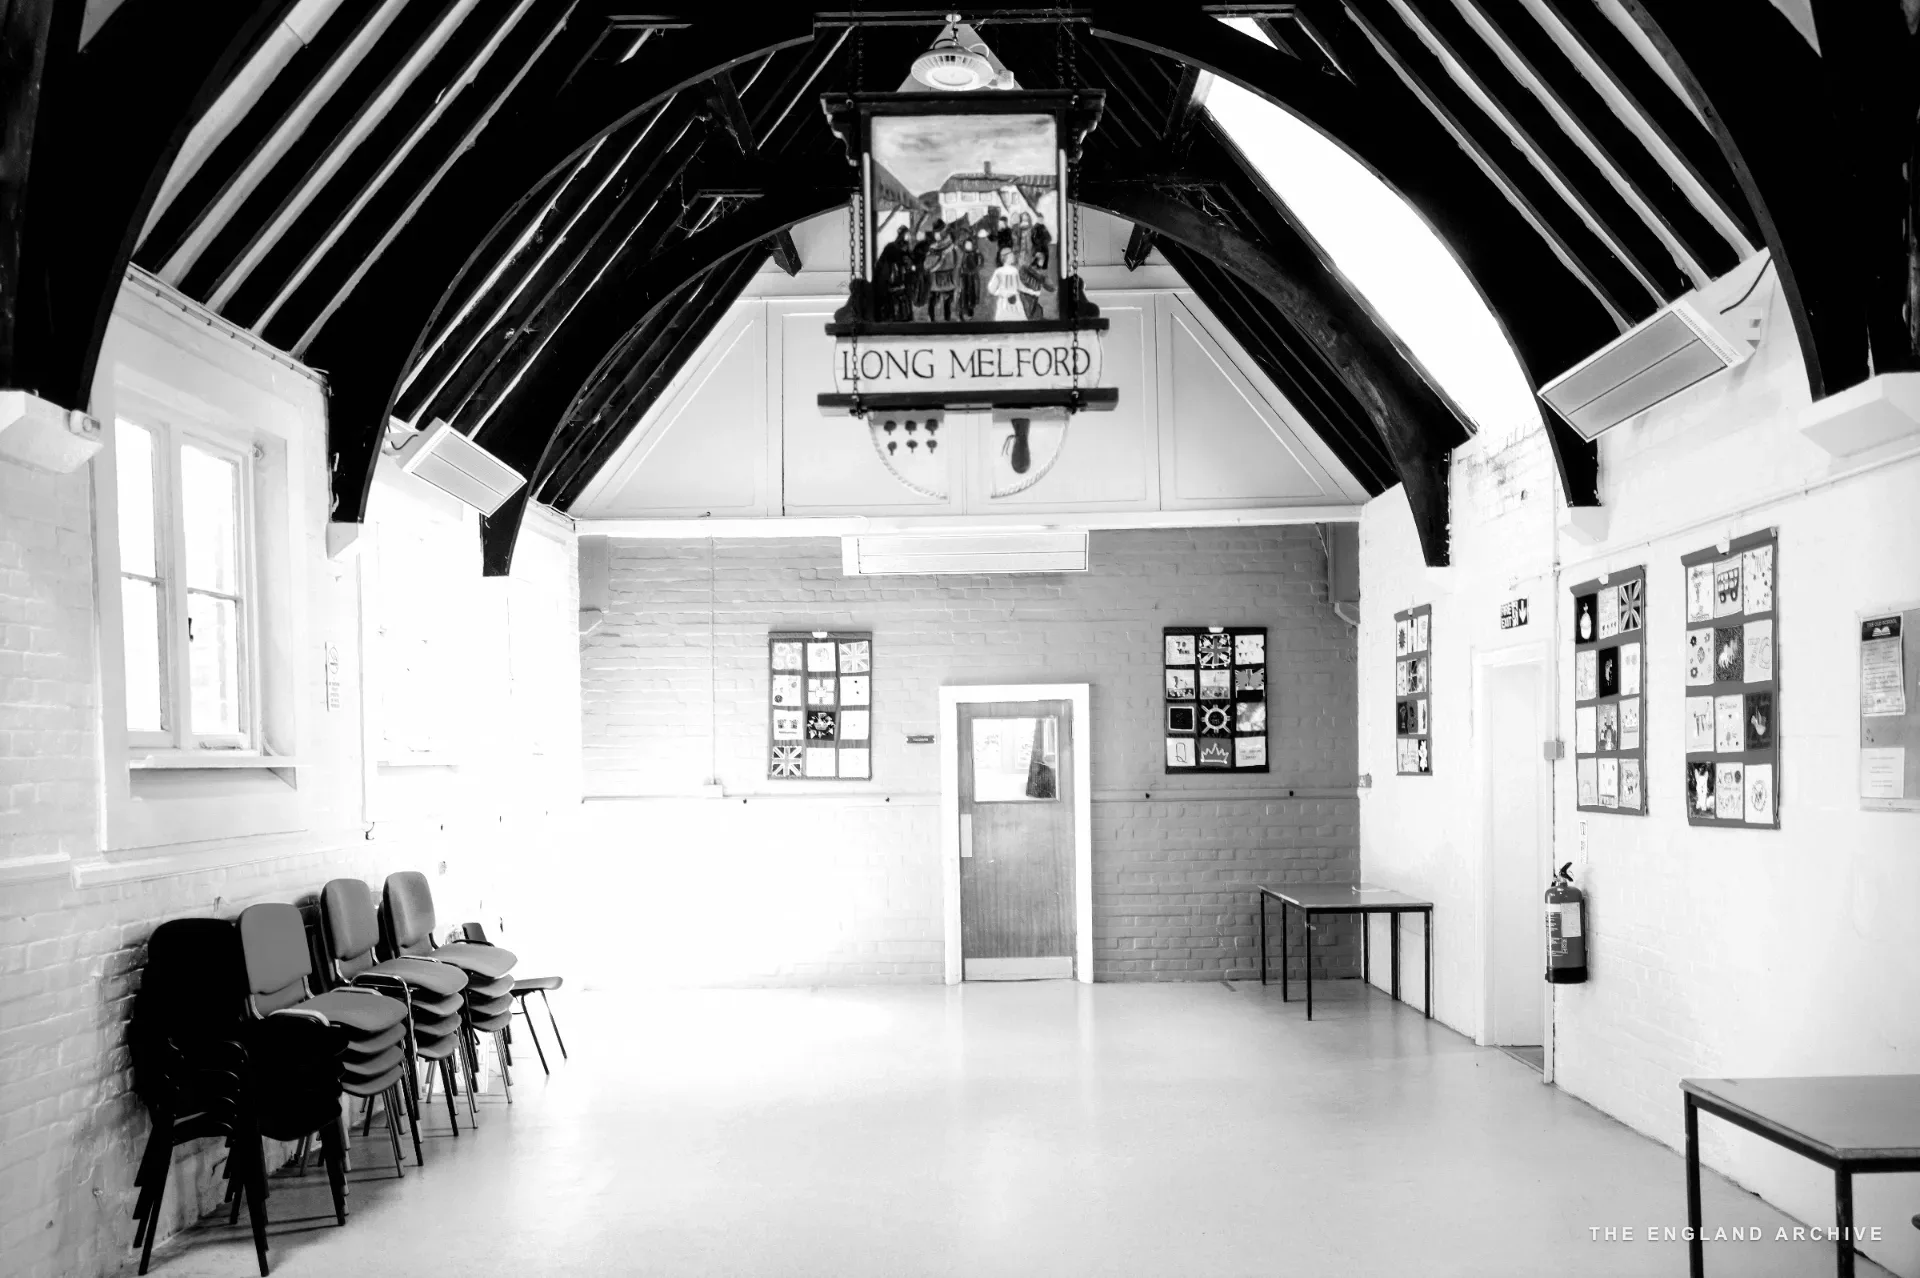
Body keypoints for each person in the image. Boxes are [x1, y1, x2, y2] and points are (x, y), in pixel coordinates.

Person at [877, 227, 912, 322]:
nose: (906, 237)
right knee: (893, 295)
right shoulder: (891, 246)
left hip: (902, 274)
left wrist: (908, 264)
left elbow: (908, 259)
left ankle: (903, 316)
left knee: (902, 295)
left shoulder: (905, 245)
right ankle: (893, 315)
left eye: (906, 234)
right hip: (893, 273)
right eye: (905, 234)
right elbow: (883, 261)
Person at [925, 227, 960, 322]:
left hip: (947, 276)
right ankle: (932, 319)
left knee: (947, 300)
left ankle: (946, 319)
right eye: (935, 233)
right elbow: (928, 263)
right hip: (936, 276)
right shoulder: (933, 247)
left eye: (938, 233)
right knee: (933, 299)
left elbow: (956, 263)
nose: (936, 235)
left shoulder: (951, 247)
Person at [987, 247, 1024, 321]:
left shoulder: (1013, 271)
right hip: (1008, 303)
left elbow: (991, 289)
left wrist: (999, 293)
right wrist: (1000, 293)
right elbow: (991, 288)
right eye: (1012, 255)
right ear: (1007, 257)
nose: (1013, 256)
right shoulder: (1001, 271)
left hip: (1012, 303)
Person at [959, 232, 985, 319]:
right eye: (967, 245)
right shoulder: (963, 254)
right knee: (964, 293)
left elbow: (981, 262)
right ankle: (964, 310)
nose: (968, 246)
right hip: (964, 277)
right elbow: (961, 265)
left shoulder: (975, 254)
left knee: (972, 293)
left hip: (973, 277)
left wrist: (976, 269)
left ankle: (970, 310)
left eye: (970, 245)